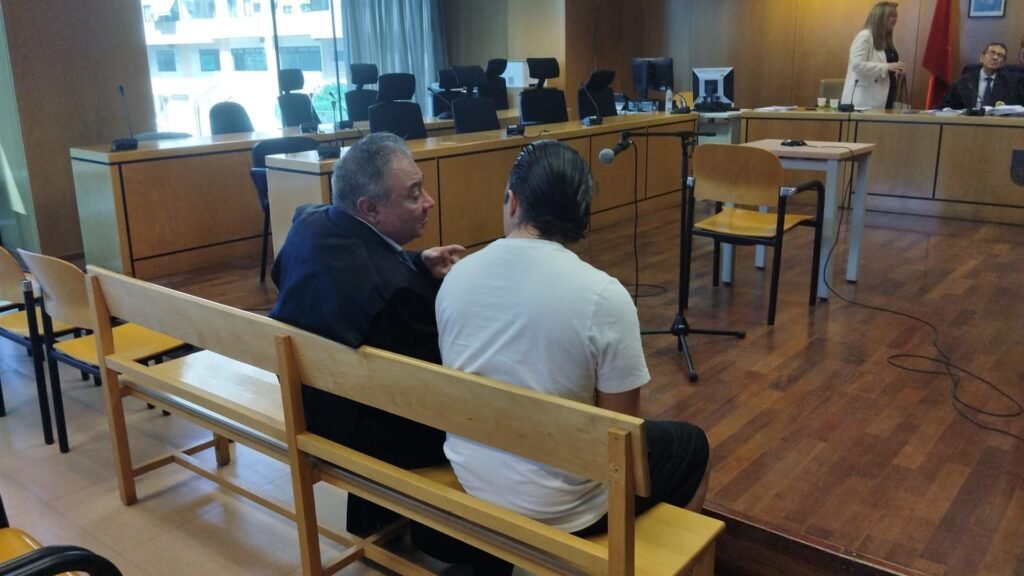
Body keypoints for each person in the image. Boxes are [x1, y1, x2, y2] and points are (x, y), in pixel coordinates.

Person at [436, 141, 711, 540]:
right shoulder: (603, 296)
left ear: (514, 201)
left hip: (473, 476)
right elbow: (623, 436)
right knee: (693, 445)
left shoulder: (456, 277)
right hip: (565, 509)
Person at [269, 132, 468, 539]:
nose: (429, 201)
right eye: (414, 194)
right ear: (370, 209)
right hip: (365, 432)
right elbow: (431, 386)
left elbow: (339, 267)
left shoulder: (307, 222)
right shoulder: (398, 294)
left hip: (307, 402)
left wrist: (416, 261)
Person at [841, 2, 906, 110]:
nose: (895, 19)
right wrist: (887, 67)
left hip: (886, 95)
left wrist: (896, 70)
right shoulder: (865, 36)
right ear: (881, 17)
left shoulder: (887, 40)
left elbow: (886, 66)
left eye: (896, 16)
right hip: (864, 100)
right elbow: (856, 65)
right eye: (892, 15)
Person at [940, 42, 1021, 109]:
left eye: (1000, 55)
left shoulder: (1011, 84)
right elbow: (945, 107)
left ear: (1002, 63)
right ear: (982, 58)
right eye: (992, 53)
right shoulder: (963, 83)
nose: (995, 57)